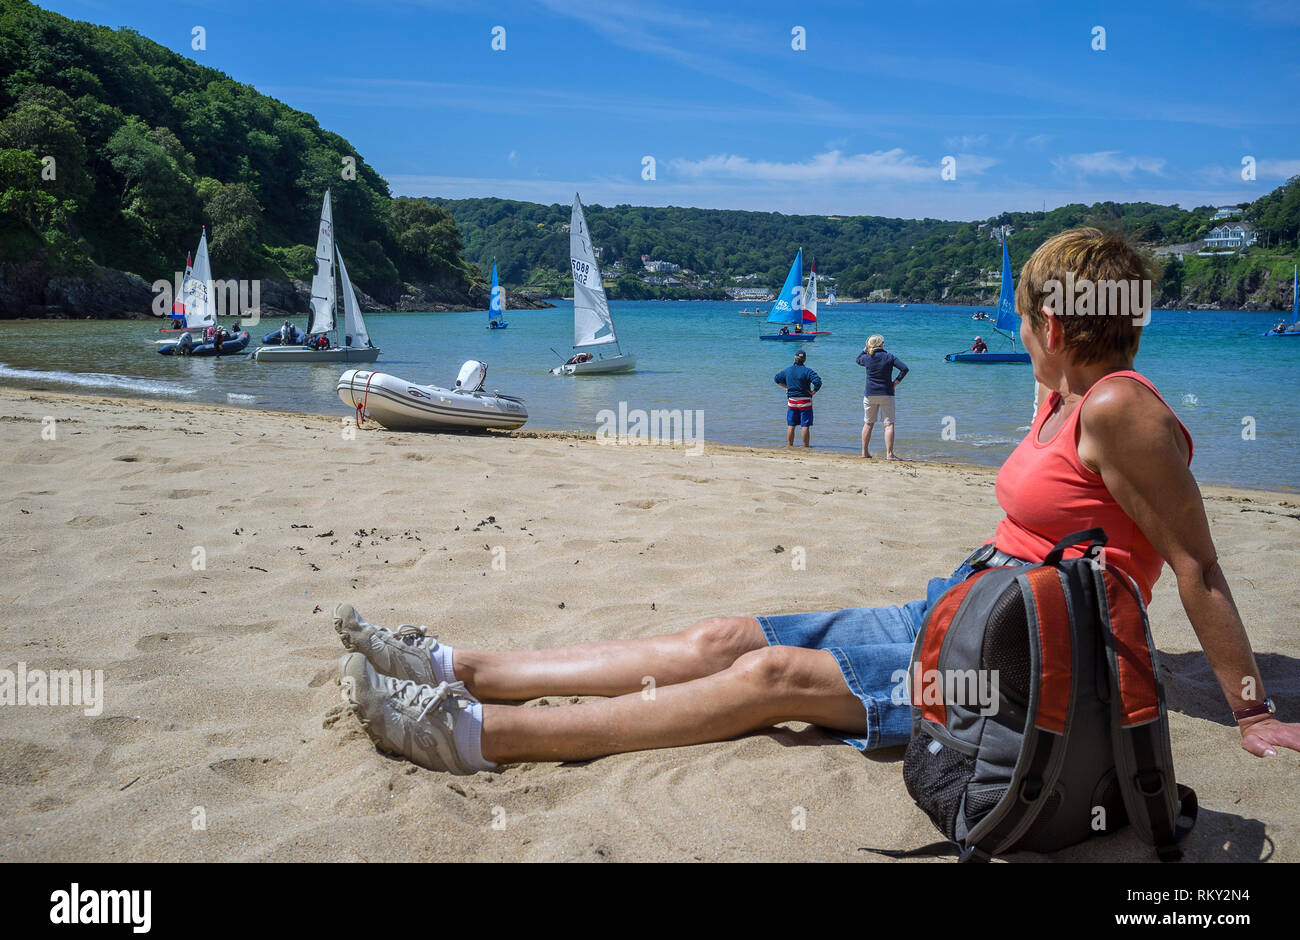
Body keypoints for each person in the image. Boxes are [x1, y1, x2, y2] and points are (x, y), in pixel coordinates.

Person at [332, 228, 1298, 780]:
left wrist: (1250, 708)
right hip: (967, 605)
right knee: (726, 638)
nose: (1018, 331)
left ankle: (467, 732)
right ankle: (460, 663)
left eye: (1023, 318)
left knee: (774, 681)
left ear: (1049, 322)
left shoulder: (1123, 407)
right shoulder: (1063, 393)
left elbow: (1196, 563)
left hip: (1030, 657)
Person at [856, 334, 908, 460]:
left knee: (868, 423)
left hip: (870, 394)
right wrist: (895, 382)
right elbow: (904, 369)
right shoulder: (889, 356)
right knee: (889, 424)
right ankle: (889, 454)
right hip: (886, 393)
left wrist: (865, 347)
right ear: (881, 344)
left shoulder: (868, 357)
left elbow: (858, 359)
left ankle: (864, 452)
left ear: (870, 344)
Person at [774, 349, 821, 448]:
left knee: (791, 424)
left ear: (794, 358)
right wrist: (814, 391)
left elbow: (777, 378)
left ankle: (790, 446)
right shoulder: (807, 371)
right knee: (805, 425)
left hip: (792, 401)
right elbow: (817, 381)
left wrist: (787, 387)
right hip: (805, 401)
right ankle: (806, 446)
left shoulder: (788, 370)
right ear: (804, 359)